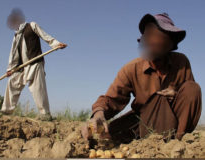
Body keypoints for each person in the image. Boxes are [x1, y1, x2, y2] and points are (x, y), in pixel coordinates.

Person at [81, 13, 202, 143]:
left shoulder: (181, 62)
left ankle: (177, 143)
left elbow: (190, 97)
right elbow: (111, 100)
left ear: (170, 45)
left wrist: (176, 94)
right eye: (148, 37)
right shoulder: (132, 68)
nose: (152, 42)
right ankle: (150, 141)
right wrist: (99, 115)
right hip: (144, 121)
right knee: (108, 135)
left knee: (192, 88)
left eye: (158, 37)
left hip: (175, 122)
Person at [0, 8, 67, 121]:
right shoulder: (16, 35)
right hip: (21, 67)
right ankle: (6, 110)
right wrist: (10, 68)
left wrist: (56, 44)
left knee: (38, 88)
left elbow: (45, 36)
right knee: (12, 83)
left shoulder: (32, 26)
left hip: (34, 62)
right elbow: (13, 53)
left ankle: (45, 114)